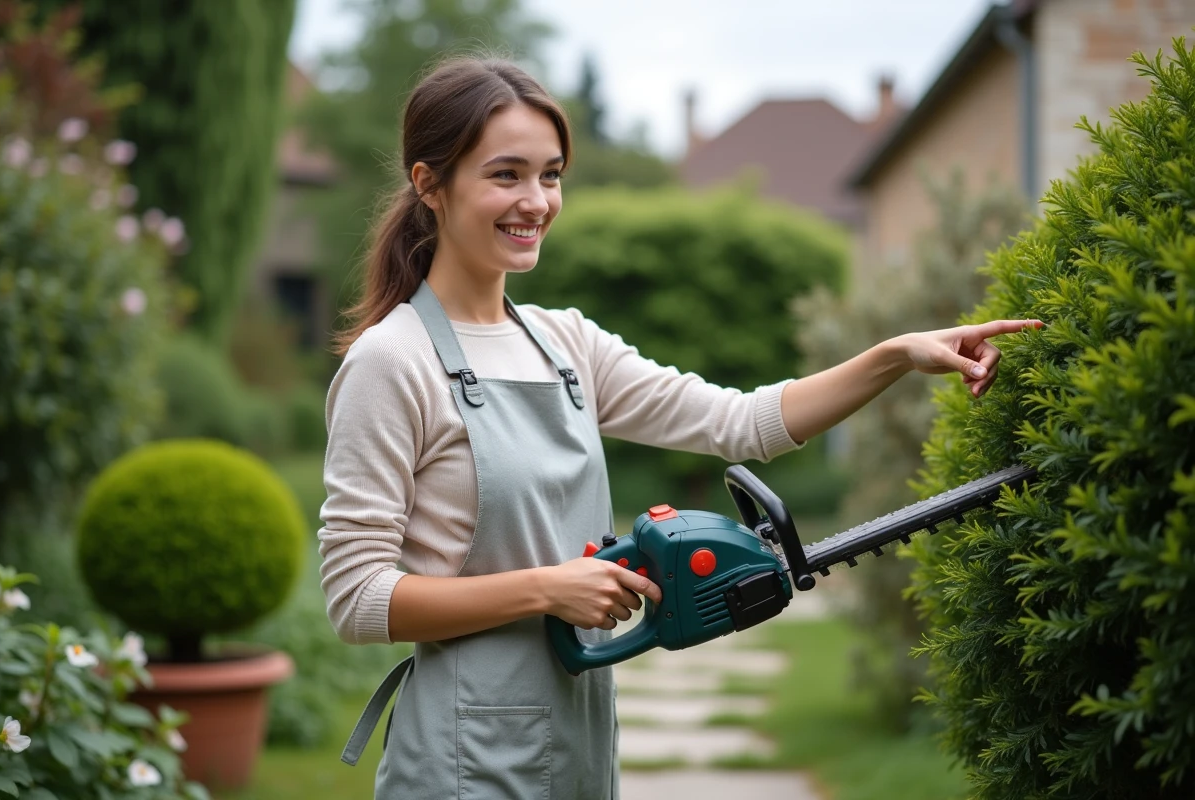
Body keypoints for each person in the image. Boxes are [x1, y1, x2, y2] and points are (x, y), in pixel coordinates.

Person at [319, 55, 1044, 800]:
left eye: (552, 174)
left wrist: (893, 356)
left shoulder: (565, 344)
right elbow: (358, 596)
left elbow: (741, 422)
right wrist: (546, 589)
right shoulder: (392, 361)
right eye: (506, 175)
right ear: (429, 184)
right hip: (460, 757)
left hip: (578, 737)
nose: (535, 200)